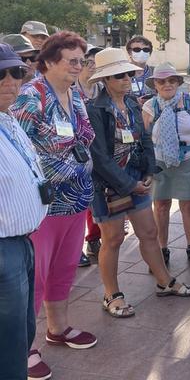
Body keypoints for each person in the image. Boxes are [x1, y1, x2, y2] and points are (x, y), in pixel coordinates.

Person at [11, 31, 98, 380]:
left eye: (81, 60)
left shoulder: (74, 93)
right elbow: (19, 150)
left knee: (63, 269)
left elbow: (84, 136)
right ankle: (24, 347)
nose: (78, 66)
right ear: (48, 62)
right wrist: (69, 166)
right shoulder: (31, 98)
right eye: (71, 61)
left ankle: (58, 329)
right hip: (43, 205)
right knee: (34, 278)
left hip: (74, 199)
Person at [87, 48, 190, 320]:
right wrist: (129, 184)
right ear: (105, 80)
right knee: (112, 239)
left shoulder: (135, 103)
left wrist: (149, 171)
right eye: (119, 75)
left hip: (136, 179)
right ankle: (111, 294)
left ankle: (164, 281)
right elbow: (99, 157)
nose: (126, 79)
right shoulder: (96, 110)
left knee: (149, 233)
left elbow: (145, 140)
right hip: (108, 186)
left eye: (128, 73)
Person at [0, 44, 47, 380]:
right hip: (3, 248)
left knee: (22, 333)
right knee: (9, 343)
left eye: (16, 72)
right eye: (0, 74)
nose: (10, 81)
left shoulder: (9, 118)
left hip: (22, 243)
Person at [143, 63, 190, 269]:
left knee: (188, 204)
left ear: (179, 82)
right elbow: (144, 138)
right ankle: (163, 248)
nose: (167, 84)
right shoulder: (150, 106)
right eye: (161, 81)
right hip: (160, 161)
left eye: (172, 80)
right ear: (155, 84)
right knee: (161, 206)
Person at [75, 44, 103, 268]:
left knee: (97, 193)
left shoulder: (102, 87)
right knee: (79, 198)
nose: (92, 67)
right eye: (88, 62)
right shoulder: (72, 89)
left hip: (100, 148)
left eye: (95, 63)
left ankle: (93, 238)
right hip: (77, 150)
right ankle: (76, 247)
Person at [125, 35, 156, 101]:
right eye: (137, 50)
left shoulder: (156, 73)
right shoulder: (121, 74)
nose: (142, 52)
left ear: (150, 53)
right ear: (129, 52)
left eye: (146, 50)